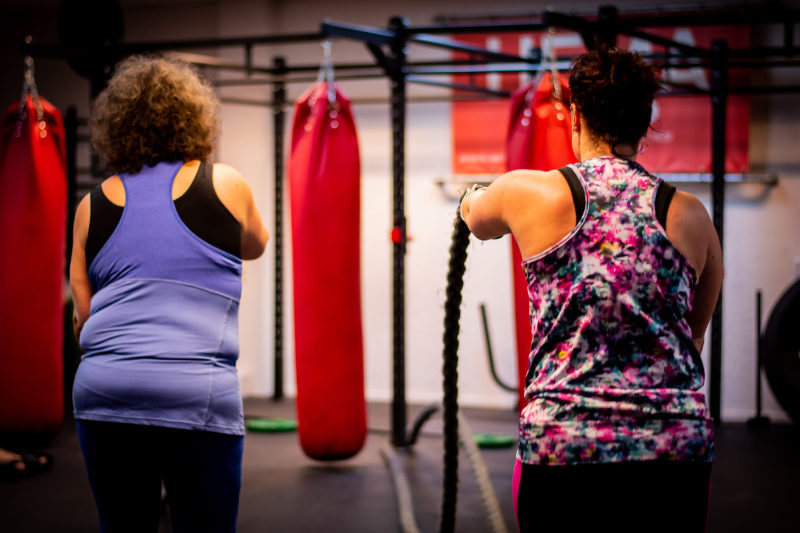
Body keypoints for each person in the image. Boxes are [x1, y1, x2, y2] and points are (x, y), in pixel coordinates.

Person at [460, 47, 722, 533]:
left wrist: (470, 198)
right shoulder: (691, 216)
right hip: (672, 450)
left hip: (563, 449)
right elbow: (694, 333)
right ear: (646, 122)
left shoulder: (527, 192)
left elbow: (476, 219)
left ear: (574, 114)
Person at [69, 54, 268, 533]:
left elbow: (82, 320)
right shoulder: (226, 183)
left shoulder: (90, 206)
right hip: (195, 396)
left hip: (105, 393)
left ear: (116, 127)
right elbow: (256, 245)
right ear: (195, 119)